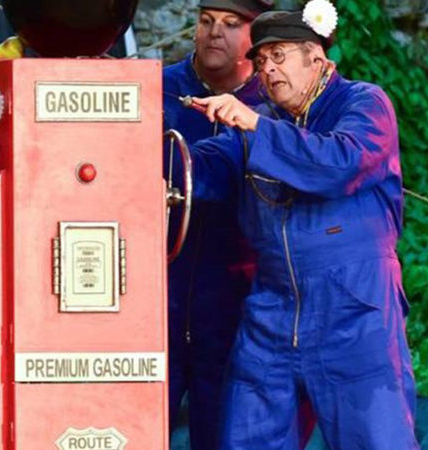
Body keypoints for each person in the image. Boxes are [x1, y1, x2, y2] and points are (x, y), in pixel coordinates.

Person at [183, 1, 419, 448]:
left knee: (375, 440)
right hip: (270, 310)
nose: (267, 69)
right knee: (244, 439)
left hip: (355, 310)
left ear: (317, 58)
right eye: (260, 61)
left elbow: (340, 162)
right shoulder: (264, 121)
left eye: (279, 55)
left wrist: (254, 123)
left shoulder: (364, 103)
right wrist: (149, 155)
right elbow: (205, 169)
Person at [162, 1, 274, 449]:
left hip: (234, 303)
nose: (214, 33)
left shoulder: (271, 104)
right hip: (159, 296)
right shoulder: (158, 90)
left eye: (230, 25)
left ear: (254, 37)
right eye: (206, 21)